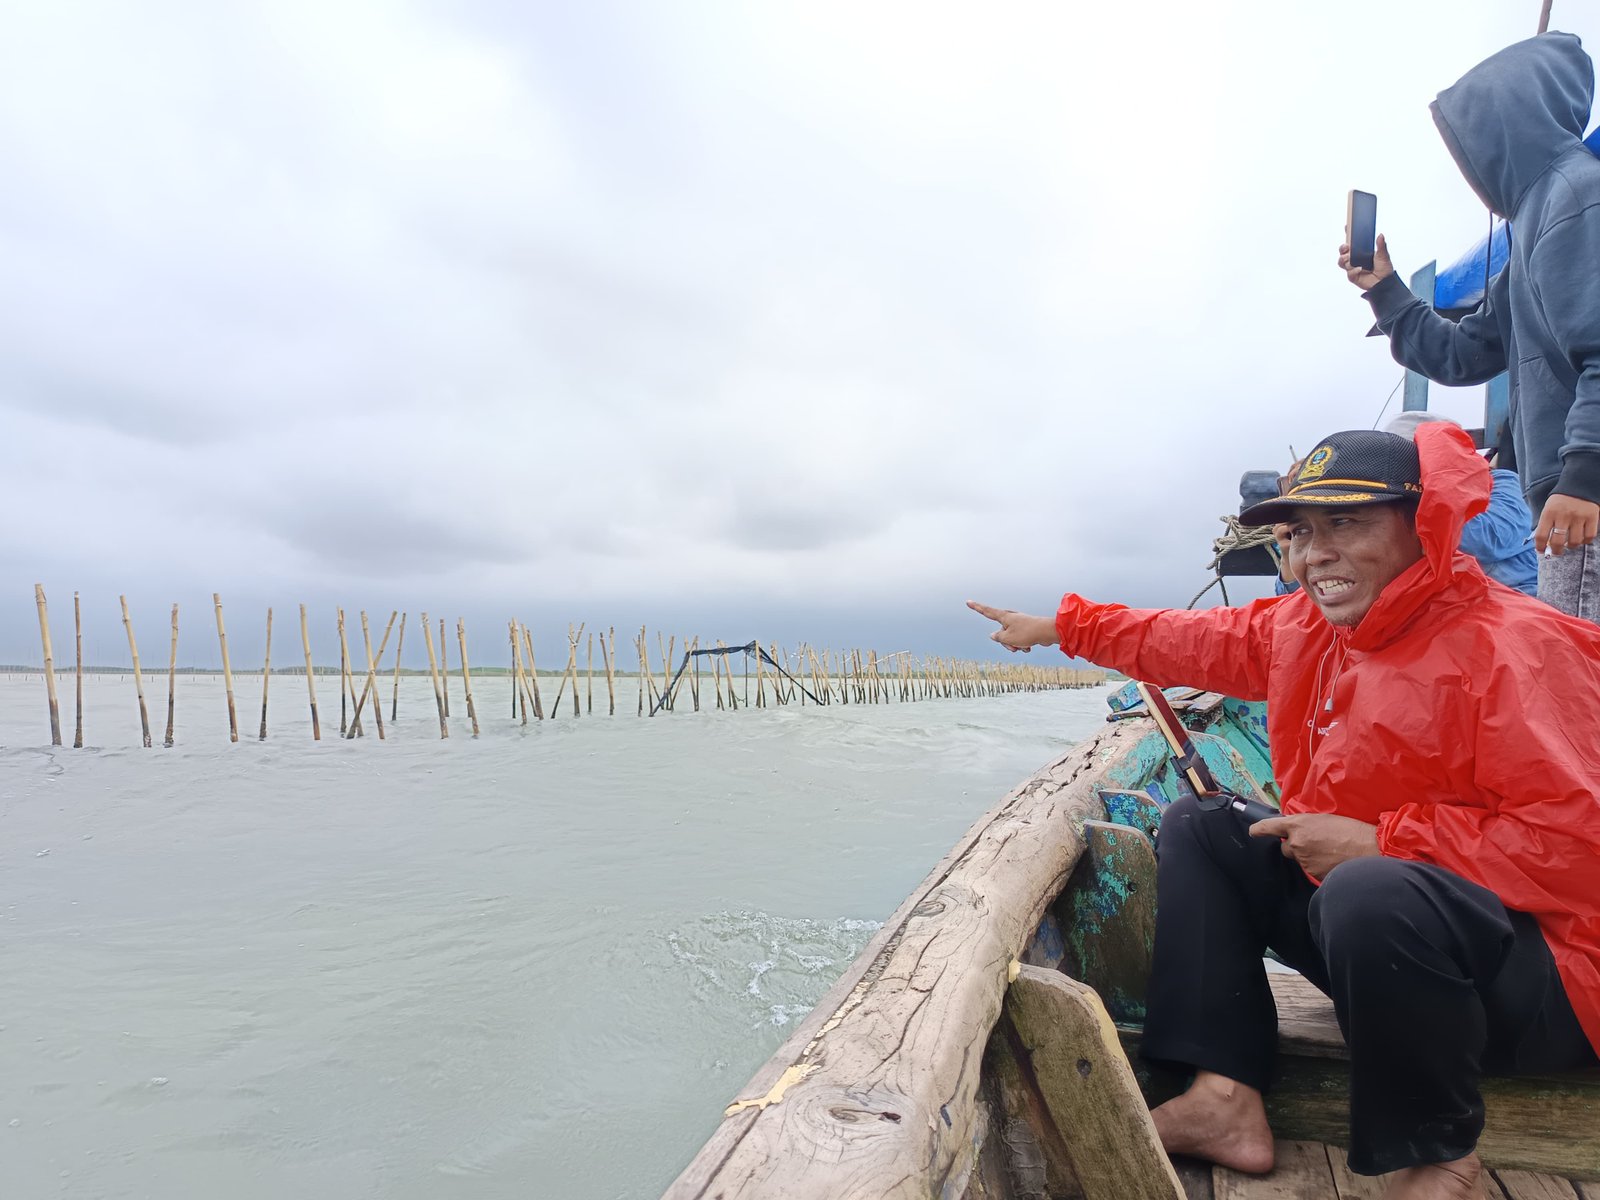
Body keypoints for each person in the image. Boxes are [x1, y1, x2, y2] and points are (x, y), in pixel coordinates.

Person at [970, 426, 1600, 1200]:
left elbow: (1579, 852)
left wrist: (1383, 842)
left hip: (1546, 993)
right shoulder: (1305, 627)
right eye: (1300, 533)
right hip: (1389, 954)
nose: (1314, 555)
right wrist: (1062, 627)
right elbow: (1183, 637)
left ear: (1422, 521)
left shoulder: (1516, 644)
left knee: (1371, 887)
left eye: (1346, 524)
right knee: (1203, 826)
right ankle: (1224, 1095)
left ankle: (1432, 1151)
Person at [1338, 33, 1600, 621]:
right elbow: (1465, 355)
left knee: (1585, 688)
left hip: (1584, 497)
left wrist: (1586, 474)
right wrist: (1385, 288)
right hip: (1564, 498)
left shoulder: (1580, 196)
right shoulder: (1527, 227)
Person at [1385, 411, 1537, 594]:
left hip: (1517, 600)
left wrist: (1435, 491)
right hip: (1449, 605)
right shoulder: (1388, 499)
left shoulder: (1499, 482)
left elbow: (1488, 541)